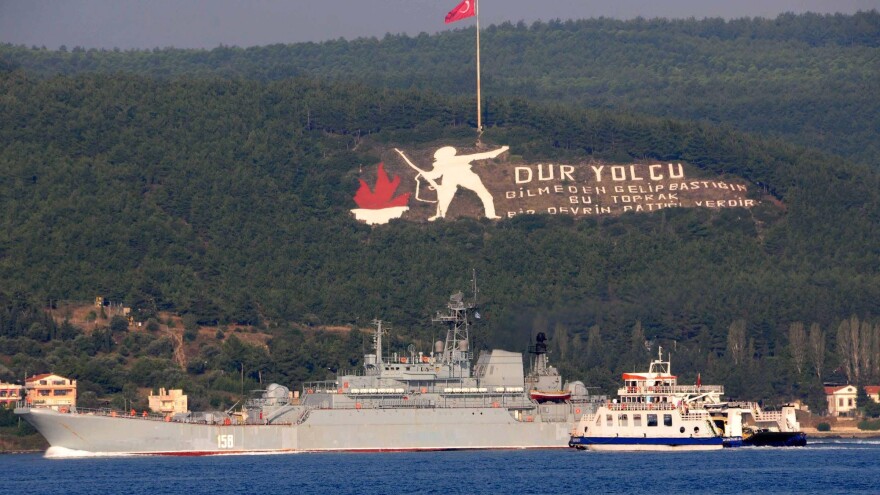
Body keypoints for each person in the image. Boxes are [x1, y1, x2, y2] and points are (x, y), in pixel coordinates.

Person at [420, 145, 508, 220]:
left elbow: (485, 155)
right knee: (444, 198)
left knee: (486, 195)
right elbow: (434, 175)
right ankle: (439, 217)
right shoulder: (440, 164)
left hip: (467, 177)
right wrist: (426, 174)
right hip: (450, 179)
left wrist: (502, 149)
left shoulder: (459, 159)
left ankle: (490, 215)